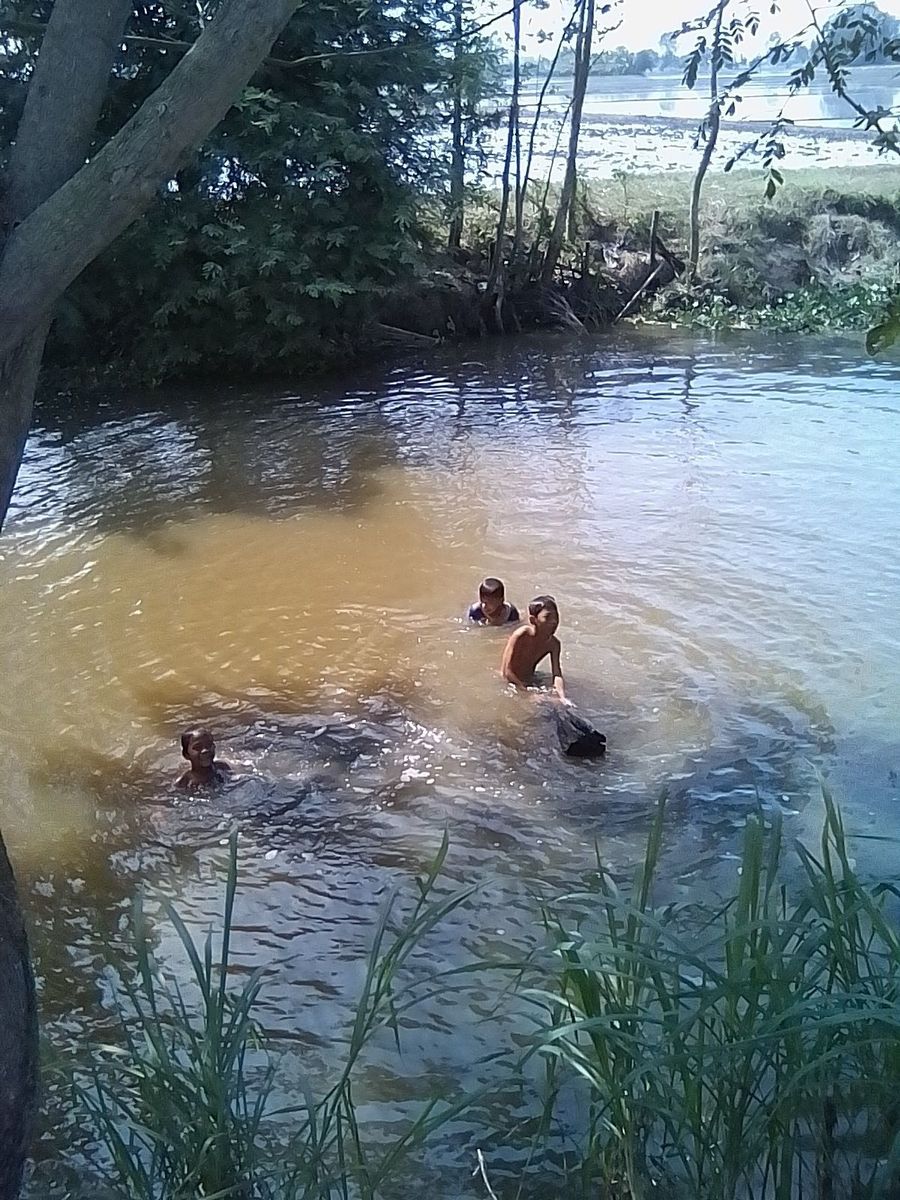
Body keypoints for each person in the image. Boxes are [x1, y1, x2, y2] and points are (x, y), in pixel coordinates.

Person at [500, 594, 569, 704]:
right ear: (533, 620)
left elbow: (557, 674)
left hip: (530, 680)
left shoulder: (554, 644)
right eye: (547, 617)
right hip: (510, 681)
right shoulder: (521, 635)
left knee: (558, 707)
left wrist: (561, 696)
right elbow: (507, 672)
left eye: (556, 617)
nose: (554, 621)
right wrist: (528, 693)